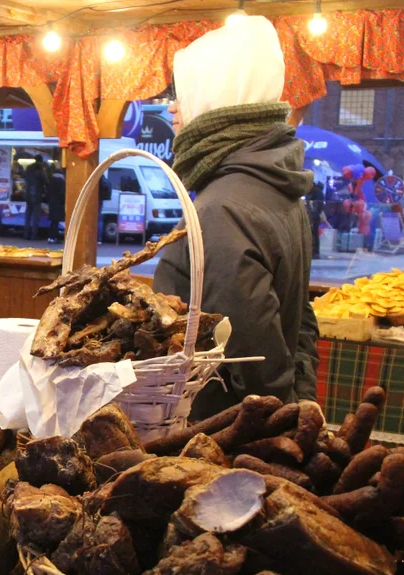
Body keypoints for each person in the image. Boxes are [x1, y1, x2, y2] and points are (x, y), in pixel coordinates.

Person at [153, 17, 319, 419]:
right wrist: (302, 397)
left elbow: (249, 361)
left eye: (185, 93)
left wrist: (283, 425)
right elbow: (300, 324)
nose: (173, 107)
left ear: (215, 103)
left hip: (220, 439)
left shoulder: (223, 209)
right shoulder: (279, 189)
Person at [24, 154, 48, 241]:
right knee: (35, 217)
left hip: (28, 195)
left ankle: (26, 234)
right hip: (37, 196)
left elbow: (25, 178)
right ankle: (33, 236)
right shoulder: (40, 170)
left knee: (28, 216)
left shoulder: (28, 168)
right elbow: (45, 182)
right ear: (40, 161)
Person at [47, 166, 66, 244]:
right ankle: (53, 237)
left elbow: (47, 192)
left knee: (53, 221)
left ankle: (51, 237)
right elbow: (62, 193)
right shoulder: (62, 181)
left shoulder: (51, 180)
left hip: (52, 203)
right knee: (56, 221)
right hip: (59, 204)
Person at [306, 181, 324, 259]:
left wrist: (314, 216)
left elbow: (319, 206)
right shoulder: (309, 191)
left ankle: (315, 252)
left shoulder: (317, 192)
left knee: (314, 234)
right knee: (311, 234)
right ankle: (311, 251)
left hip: (314, 217)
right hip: (309, 216)